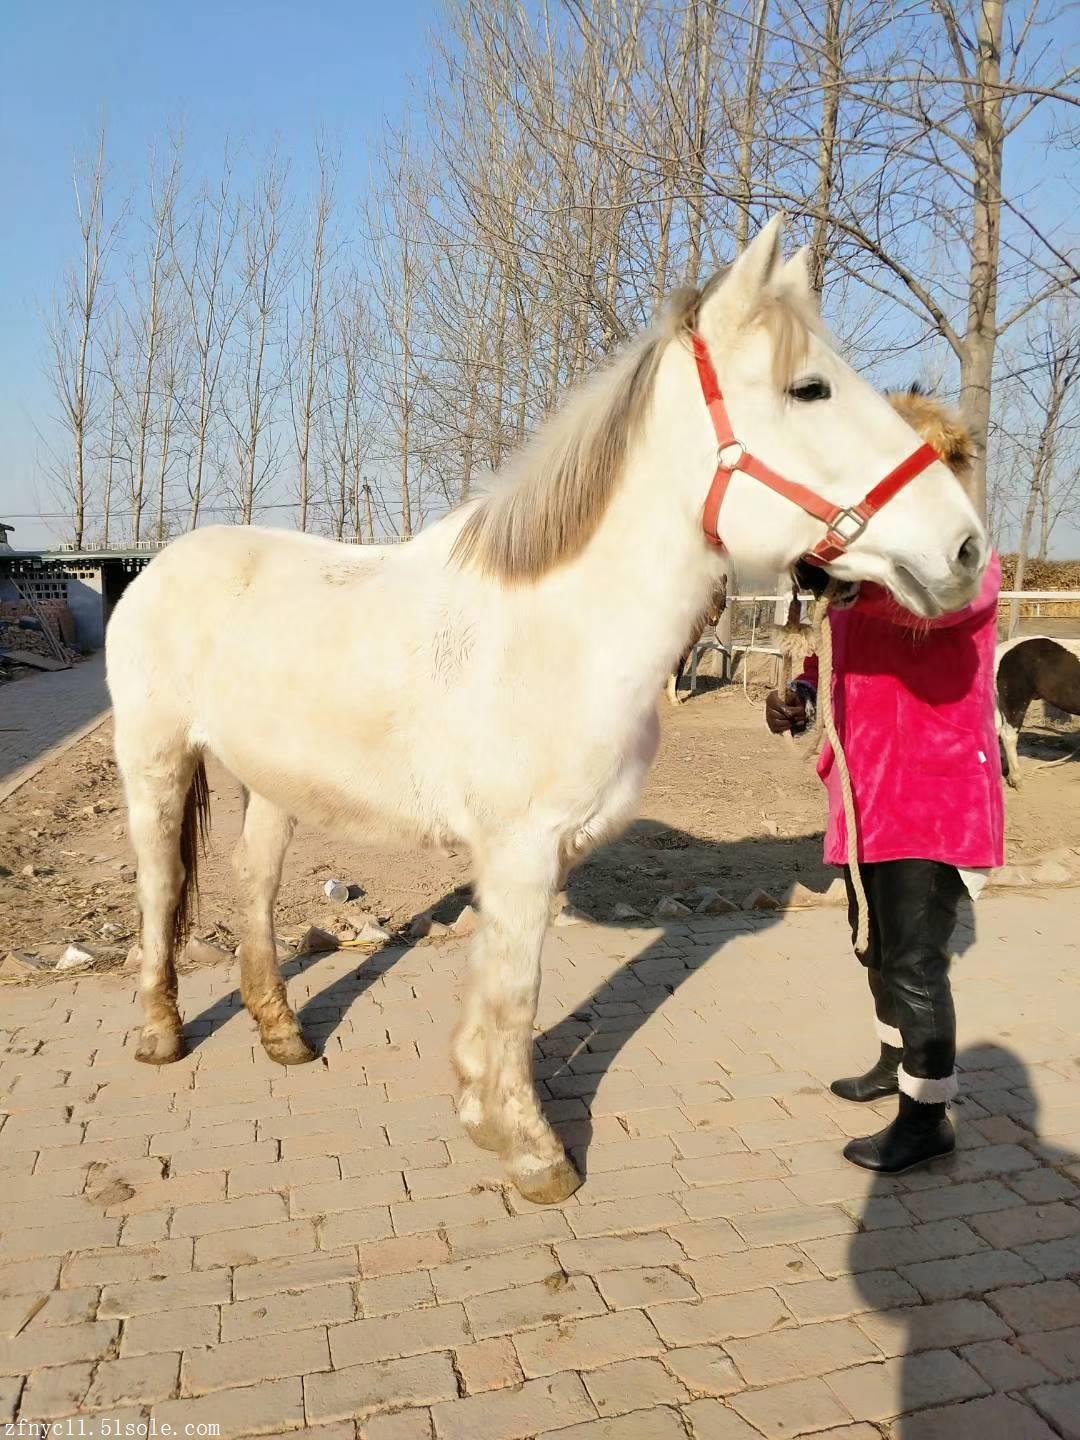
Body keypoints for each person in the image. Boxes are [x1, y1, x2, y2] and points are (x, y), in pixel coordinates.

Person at [765, 389, 1004, 1174]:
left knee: (914, 958)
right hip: (866, 797)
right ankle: (891, 1060)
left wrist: (843, 569)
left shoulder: (966, 567)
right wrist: (801, 694)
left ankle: (927, 1112)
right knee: (873, 946)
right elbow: (840, 654)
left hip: (928, 797)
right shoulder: (864, 579)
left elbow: (924, 615)